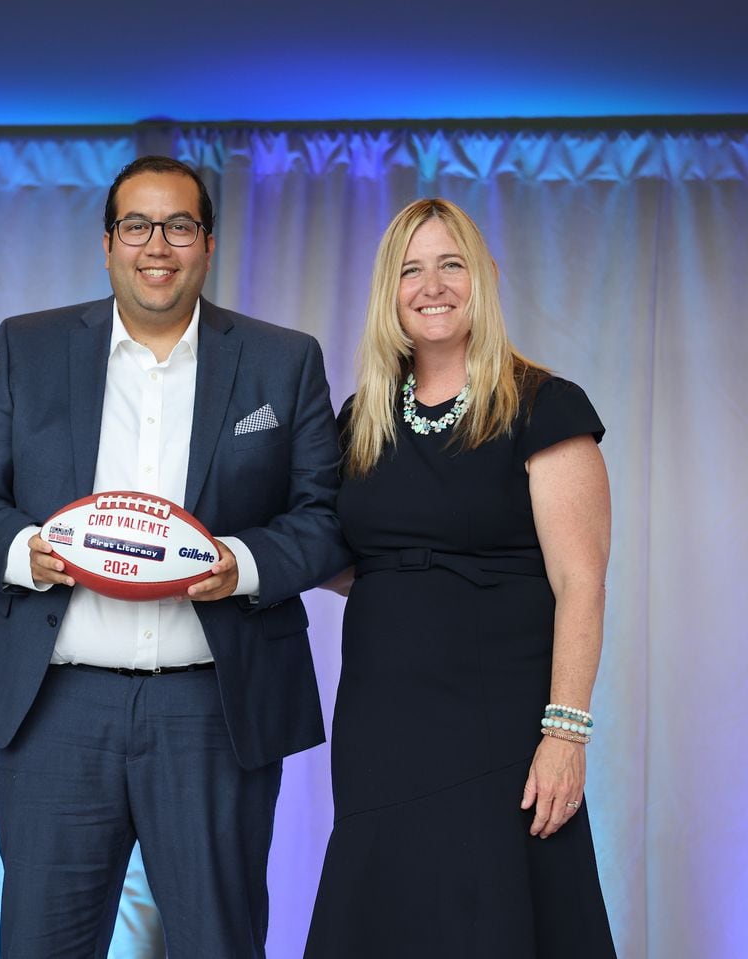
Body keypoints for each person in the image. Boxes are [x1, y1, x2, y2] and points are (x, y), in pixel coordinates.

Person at [0, 156, 350, 957]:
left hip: (213, 714)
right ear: (107, 243)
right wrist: (33, 551)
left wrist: (242, 562)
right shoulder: (31, 346)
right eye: (136, 225)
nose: (155, 245)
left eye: (179, 225)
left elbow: (326, 518)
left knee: (219, 944)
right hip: (54, 710)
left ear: (207, 243)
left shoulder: (282, 359)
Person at [304, 198, 616, 957]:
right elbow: (358, 561)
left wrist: (565, 735)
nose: (432, 285)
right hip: (381, 730)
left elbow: (581, 580)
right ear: (390, 290)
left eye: (451, 264)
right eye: (412, 269)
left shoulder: (545, 405)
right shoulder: (363, 417)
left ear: (484, 277)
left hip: (499, 729)